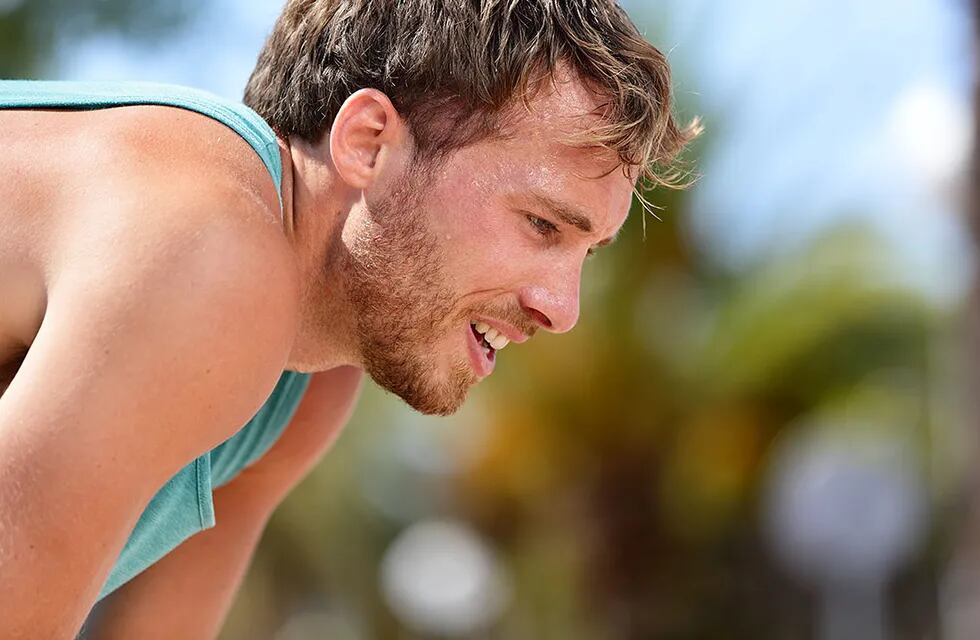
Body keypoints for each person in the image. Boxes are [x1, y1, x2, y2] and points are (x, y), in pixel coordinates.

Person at [0, 1, 697, 637]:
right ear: (368, 145)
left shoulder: (307, 382)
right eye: (543, 224)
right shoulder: (209, 250)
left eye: (588, 254)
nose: (563, 308)